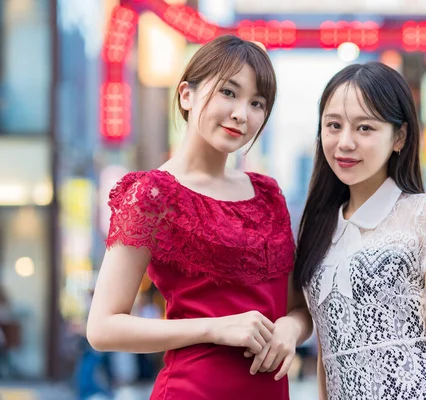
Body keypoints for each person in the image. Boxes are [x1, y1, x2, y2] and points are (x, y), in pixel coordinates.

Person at [86, 35, 312, 400]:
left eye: (257, 102)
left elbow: (297, 309)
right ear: (186, 95)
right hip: (193, 389)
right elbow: (102, 328)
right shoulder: (152, 195)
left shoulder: (268, 194)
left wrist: (291, 327)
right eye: (228, 92)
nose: (242, 113)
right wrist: (215, 329)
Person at [293, 62, 426, 399]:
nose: (345, 142)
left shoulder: (424, 213)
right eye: (333, 125)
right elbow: (328, 354)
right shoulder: (318, 228)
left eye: (365, 128)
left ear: (399, 137)